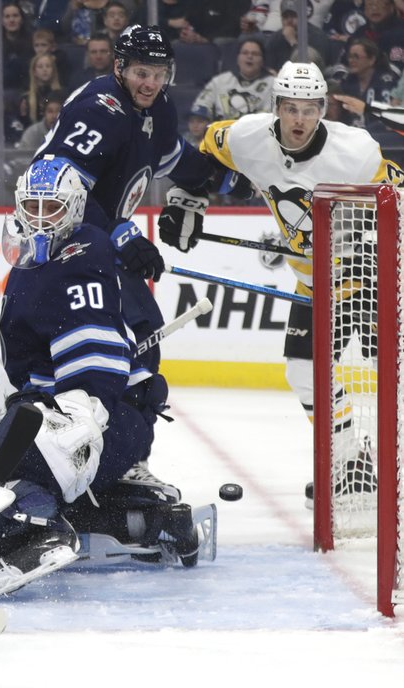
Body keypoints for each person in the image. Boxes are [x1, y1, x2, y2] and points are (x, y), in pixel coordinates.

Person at [0, 157, 205, 600]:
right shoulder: (43, 260)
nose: (40, 219)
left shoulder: (81, 259)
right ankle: (137, 516)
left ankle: (38, 525)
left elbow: (91, 367)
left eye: (53, 209)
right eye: (32, 206)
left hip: (101, 422)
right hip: (103, 420)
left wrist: (79, 419)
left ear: (76, 208)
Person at [160, 61, 403, 502]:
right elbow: (209, 154)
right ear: (276, 107)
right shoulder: (247, 136)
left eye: (310, 109)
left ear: (323, 109)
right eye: (291, 108)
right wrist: (188, 198)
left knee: (387, 370)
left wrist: (376, 257)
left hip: (366, 274)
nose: (299, 119)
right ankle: (351, 461)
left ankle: (364, 462)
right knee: (303, 372)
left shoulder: (357, 152)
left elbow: (397, 200)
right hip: (312, 283)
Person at [29, 25, 241, 490]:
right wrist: (124, 234)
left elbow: (174, 159)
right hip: (62, 252)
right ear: (120, 68)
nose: (150, 82)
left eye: (159, 73)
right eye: (141, 72)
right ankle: (62, 459)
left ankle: (115, 458)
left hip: (101, 248)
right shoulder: (99, 107)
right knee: (106, 362)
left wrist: (224, 181)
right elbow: (58, 188)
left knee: (142, 350)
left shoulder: (158, 105)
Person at [190, 38, 274, 121]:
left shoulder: (273, 84)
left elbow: (269, 118)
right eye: (245, 53)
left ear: (262, 60)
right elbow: (201, 107)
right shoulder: (220, 81)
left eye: (255, 54)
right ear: (238, 59)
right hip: (221, 131)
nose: (249, 56)